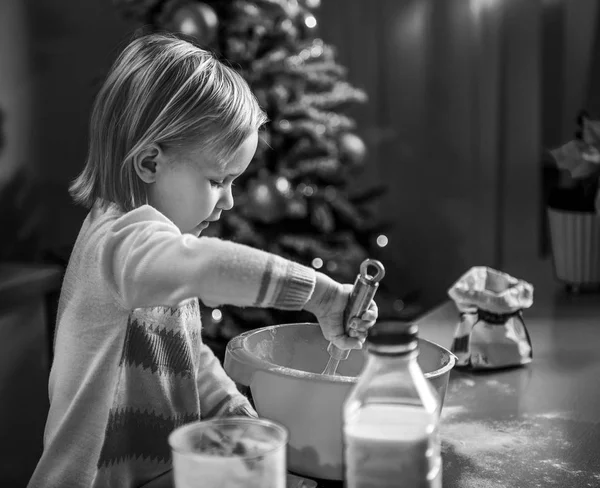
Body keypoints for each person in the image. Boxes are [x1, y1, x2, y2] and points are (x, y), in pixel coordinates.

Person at [27, 32, 378, 488]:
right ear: (150, 163)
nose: (229, 201)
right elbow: (207, 267)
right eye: (217, 180)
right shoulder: (119, 242)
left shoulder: (159, 254)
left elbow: (190, 361)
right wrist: (322, 296)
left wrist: (239, 420)